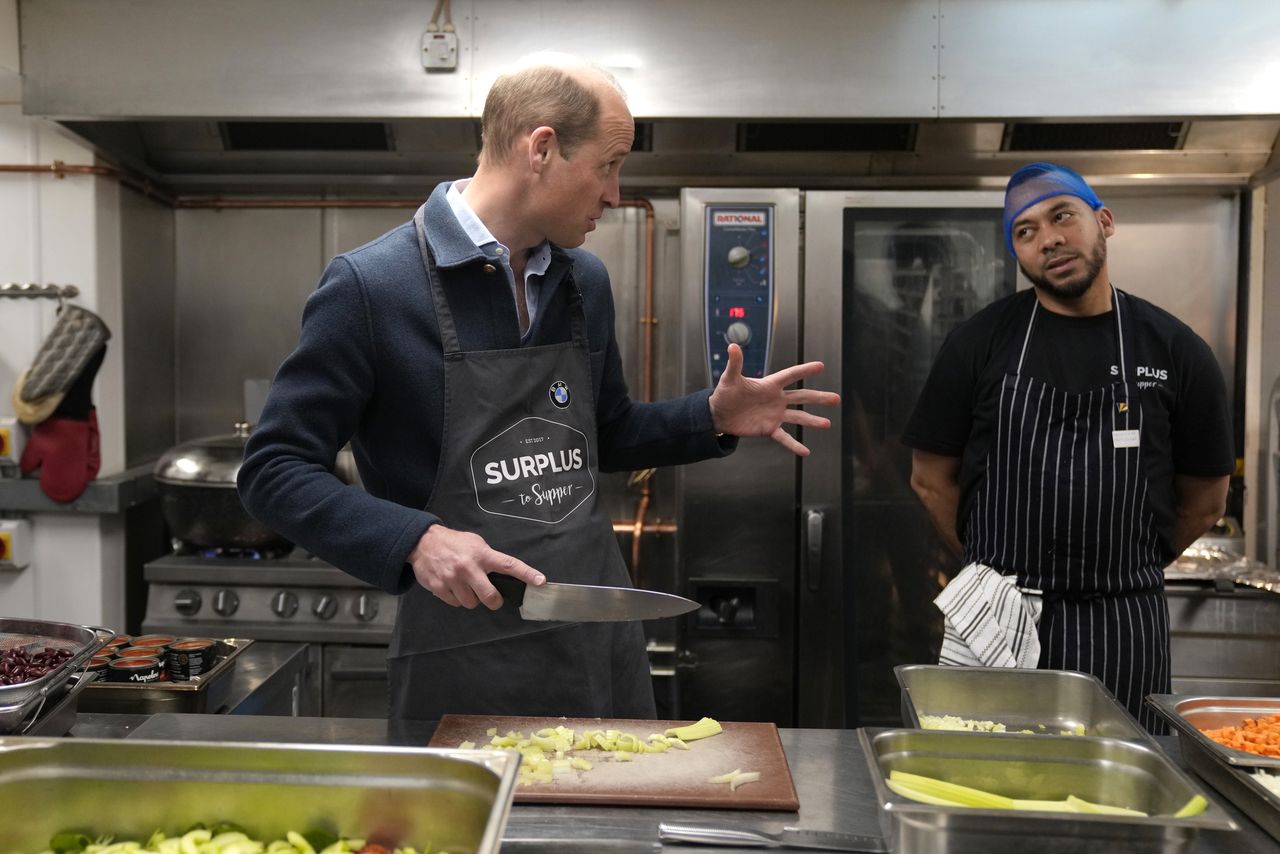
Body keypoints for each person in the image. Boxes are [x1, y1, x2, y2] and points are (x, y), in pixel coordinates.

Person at [237, 53, 839, 722]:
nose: (614, 194)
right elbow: (273, 471)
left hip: (594, 641)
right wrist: (416, 539)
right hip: (462, 652)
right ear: (543, 150)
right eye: (608, 166)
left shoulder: (584, 281)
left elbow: (601, 434)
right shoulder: (372, 289)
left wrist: (711, 416)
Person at [902, 162, 1232, 730]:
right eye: (1025, 231)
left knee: (1121, 798)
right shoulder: (978, 344)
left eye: (1062, 217)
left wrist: (1121, 573)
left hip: (1124, 625)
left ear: (1104, 222)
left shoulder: (1176, 349)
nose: (1048, 239)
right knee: (985, 783)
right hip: (997, 615)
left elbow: (1205, 502)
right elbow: (930, 478)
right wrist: (990, 571)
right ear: (1018, 254)